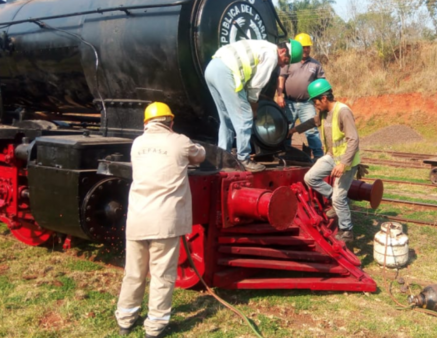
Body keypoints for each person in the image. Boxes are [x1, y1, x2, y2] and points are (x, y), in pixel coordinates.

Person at [115, 102, 206, 338]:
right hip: (164, 221)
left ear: (146, 123)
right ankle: (155, 327)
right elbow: (200, 156)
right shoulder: (180, 141)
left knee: (134, 273)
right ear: (171, 122)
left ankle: (125, 320)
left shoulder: (137, 144)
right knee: (162, 275)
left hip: (137, 219)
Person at [205, 39, 303, 172]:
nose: (281, 65)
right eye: (285, 61)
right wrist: (253, 107)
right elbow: (256, 85)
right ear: (283, 51)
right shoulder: (271, 55)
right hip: (227, 72)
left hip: (212, 68)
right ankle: (243, 159)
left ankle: (222, 157)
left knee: (226, 119)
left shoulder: (263, 45)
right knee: (244, 117)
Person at [291, 79, 360, 244]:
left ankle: (346, 230)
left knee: (338, 198)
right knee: (310, 178)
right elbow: (311, 122)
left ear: (324, 98)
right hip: (332, 156)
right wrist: (294, 130)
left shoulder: (343, 112)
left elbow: (354, 140)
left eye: (315, 101)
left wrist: (343, 164)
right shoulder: (323, 114)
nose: (314, 104)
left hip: (347, 161)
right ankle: (337, 201)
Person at [277, 33, 325, 160]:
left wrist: (319, 102)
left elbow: (321, 83)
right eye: (303, 46)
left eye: (308, 46)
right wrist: (280, 95)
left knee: (311, 130)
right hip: (288, 102)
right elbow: (281, 78)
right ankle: (284, 155)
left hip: (307, 103)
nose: (305, 49)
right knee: (285, 130)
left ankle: (318, 157)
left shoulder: (316, 64)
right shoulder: (289, 61)